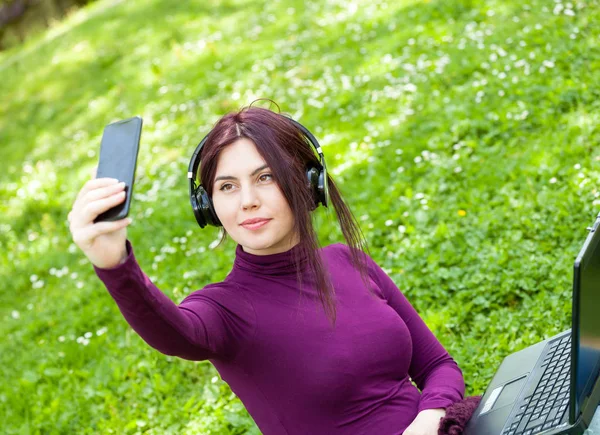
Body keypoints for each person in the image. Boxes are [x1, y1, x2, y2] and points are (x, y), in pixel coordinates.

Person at [67, 104, 465, 435]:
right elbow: (172, 331)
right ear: (208, 207)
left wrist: (430, 418)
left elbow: (438, 366)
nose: (248, 201)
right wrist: (114, 264)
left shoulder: (349, 260)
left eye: (265, 177)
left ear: (309, 183)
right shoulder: (223, 310)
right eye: (227, 187)